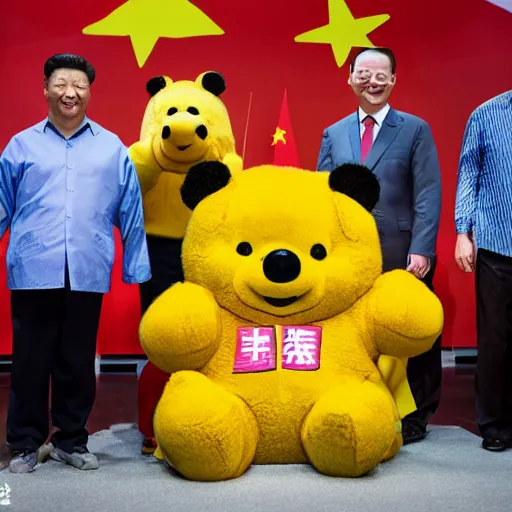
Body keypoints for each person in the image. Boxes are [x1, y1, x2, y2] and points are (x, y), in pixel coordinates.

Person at [0, 53, 151, 473]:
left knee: (78, 360)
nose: (71, 92)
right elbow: (1, 204)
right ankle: (26, 443)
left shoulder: (110, 147)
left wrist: (135, 267)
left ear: (89, 92)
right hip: (33, 266)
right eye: (62, 84)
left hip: (87, 266)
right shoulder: (21, 145)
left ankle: (71, 439)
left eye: (80, 85)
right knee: (29, 360)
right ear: (46, 88)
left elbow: (131, 209)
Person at [316, 47, 442, 444]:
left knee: (412, 330)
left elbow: (427, 191)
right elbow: (324, 194)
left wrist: (422, 248)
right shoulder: (333, 133)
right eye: (364, 74)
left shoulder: (414, 129)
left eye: (382, 75)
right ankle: (363, 405)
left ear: (393, 81)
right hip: (351, 255)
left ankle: (416, 415)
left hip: (401, 250)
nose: (373, 81)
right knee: (355, 332)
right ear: (350, 77)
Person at [454, 89, 512, 452]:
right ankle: (495, 424)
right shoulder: (486, 113)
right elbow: (468, 174)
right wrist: (463, 232)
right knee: (496, 340)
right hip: (497, 241)